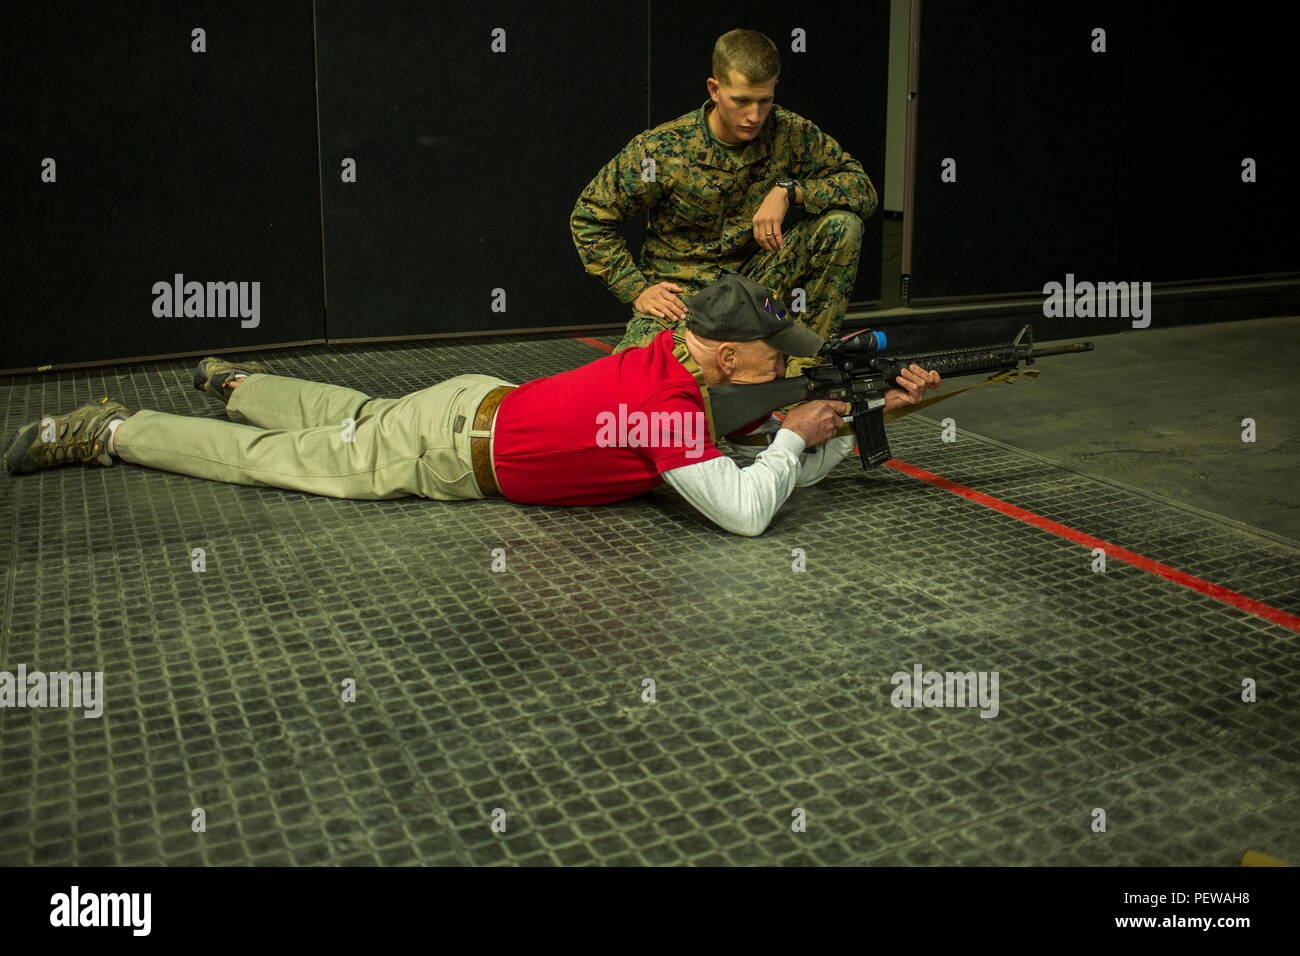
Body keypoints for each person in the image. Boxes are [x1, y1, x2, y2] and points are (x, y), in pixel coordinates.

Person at [4, 275, 939, 537]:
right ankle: (111, 431)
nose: (786, 366)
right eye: (776, 355)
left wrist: (858, 415)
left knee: (359, 416)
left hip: (474, 403)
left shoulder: (664, 356)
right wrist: (798, 439)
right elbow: (742, 511)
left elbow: (750, 432)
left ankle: (239, 383)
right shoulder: (665, 405)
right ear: (728, 352)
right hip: (451, 452)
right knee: (293, 459)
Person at [571, 28, 877, 374]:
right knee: (642, 380)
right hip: (684, 299)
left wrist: (789, 191)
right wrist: (637, 289)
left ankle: (806, 372)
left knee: (842, 225)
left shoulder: (790, 133)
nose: (754, 116)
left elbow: (861, 189)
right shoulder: (663, 148)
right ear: (714, 90)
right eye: (742, 101)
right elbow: (590, 217)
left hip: (757, 288)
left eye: (765, 101)